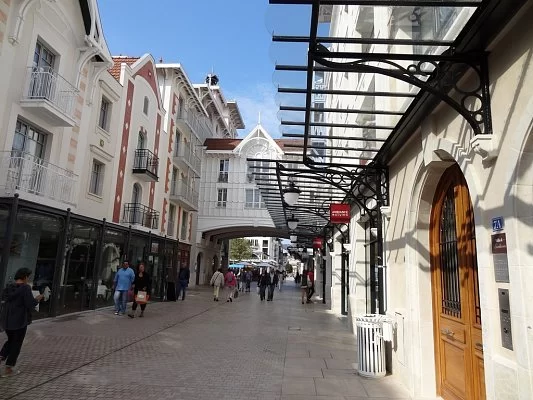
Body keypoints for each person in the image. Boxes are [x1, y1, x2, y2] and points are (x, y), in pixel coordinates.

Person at [0, 268, 44, 378]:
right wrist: (38, 298)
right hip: (19, 321)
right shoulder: (25, 288)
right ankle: (8, 369)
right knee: (16, 343)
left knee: (10, 341)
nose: (28, 279)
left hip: (7, 321)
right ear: (24, 277)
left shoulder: (9, 287)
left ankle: (1, 357)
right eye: (28, 277)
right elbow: (30, 304)